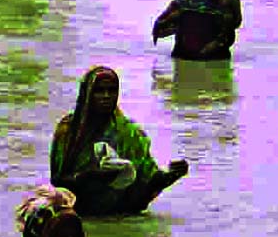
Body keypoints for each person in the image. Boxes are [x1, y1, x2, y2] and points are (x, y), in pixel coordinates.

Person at [50, 66, 189, 217]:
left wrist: (170, 176)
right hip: (79, 214)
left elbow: (145, 184)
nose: (106, 96)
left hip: (119, 215)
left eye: (112, 91)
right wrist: (87, 178)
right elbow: (57, 180)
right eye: (99, 91)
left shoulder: (129, 132)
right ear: (87, 94)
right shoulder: (69, 130)